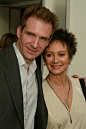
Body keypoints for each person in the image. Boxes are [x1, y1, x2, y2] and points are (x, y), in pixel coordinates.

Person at [0, 5, 59, 129]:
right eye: (31, 34)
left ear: (49, 41)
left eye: (43, 38)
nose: (35, 44)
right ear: (19, 31)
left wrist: (77, 84)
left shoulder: (36, 69)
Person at [42, 29, 86, 129]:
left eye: (61, 54)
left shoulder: (81, 85)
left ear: (69, 58)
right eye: (50, 55)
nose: (55, 60)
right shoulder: (39, 92)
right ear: (44, 59)